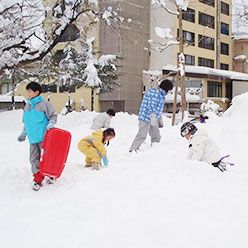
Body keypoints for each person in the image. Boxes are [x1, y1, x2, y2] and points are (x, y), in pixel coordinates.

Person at [17, 82, 57, 190]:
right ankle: (38, 179)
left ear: (36, 92)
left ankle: (50, 175)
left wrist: (51, 123)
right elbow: (27, 122)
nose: (28, 93)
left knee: (46, 157)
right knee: (33, 159)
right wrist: (24, 133)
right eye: (27, 91)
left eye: (29, 91)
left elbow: (53, 115)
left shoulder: (44, 104)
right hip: (32, 138)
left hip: (44, 137)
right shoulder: (27, 106)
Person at [129, 79, 173, 152]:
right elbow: (150, 106)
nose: (169, 92)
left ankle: (154, 151)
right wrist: (152, 116)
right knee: (142, 135)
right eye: (169, 90)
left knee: (156, 136)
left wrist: (159, 119)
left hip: (153, 119)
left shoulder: (161, 95)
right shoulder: (155, 93)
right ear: (166, 88)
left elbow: (158, 108)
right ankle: (132, 151)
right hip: (145, 118)